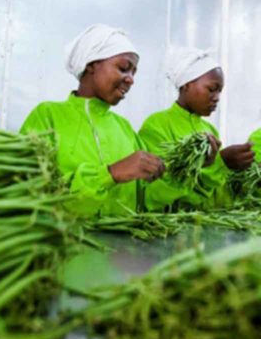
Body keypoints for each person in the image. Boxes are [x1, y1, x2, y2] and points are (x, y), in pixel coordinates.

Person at [20, 24, 165, 217]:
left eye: (133, 73)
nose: (130, 79)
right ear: (91, 65)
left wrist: (182, 174)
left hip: (124, 246)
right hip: (65, 242)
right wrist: (110, 174)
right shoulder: (48, 116)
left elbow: (146, 199)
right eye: (124, 68)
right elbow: (29, 191)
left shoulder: (123, 128)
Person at [139, 47, 254, 211]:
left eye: (220, 91)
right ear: (186, 84)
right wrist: (219, 164)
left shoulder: (210, 130)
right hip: (168, 228)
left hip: (200, 227)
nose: (217, 98)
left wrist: (238, 175)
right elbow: (156, 193)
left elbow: (212, 196)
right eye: (211, 89)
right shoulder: (157, 125)